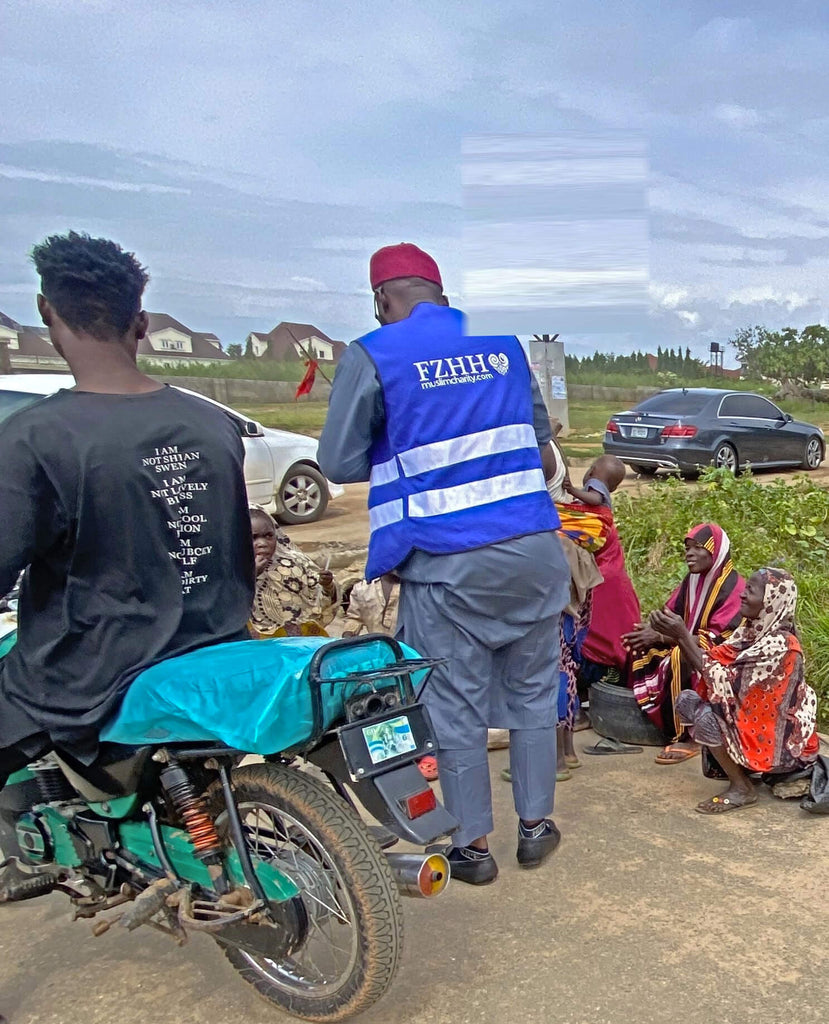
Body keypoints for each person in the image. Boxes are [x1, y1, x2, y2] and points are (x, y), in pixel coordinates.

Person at [318, 243, 569, 884]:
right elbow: (540, 442)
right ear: (443, 295)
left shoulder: (374, 353)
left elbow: (340, 463)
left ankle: (473, 848)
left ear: (381, 301)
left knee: (453, 704)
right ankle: (536, 829)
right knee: (536, 693)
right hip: (536, 553)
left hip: (449, 564)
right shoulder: (507, 348)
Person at [0, 232, 254, 807]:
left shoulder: (34, 437)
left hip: (93, 677)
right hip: (219, 649)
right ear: (140, 323)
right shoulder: (212, 425)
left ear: (46, 313)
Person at [652, 568, 819, 813]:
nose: (742, 594)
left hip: (782, 743)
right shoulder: (752, 631)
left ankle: (743, 788)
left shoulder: (781, 644)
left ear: (771, 600)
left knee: (708, 718)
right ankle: (742, 767)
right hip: (758, 722)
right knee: (688, 701)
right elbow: (713, 661)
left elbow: (723, 680)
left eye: (751, 590)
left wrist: (682, 635)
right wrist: (678, 637)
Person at [625, 524, 744, 764]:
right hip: (687, 640)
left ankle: (687, 735)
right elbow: (670, 615)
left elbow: (718, 640)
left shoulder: (733, 587)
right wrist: (651, 630)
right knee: (637, 641)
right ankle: (655, 714)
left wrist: (662, 637)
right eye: (688, 548)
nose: (689, 553)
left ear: (716, 551)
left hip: (723, 659)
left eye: (698, 547)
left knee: (681, 656)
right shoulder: (692, 580)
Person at [564, 457, 640, 689]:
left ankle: (589, 692)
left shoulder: (594, 500)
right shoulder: (597, 513)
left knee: (593, 638)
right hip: (613, 584)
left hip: (601, 584)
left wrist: (571, 490)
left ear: (591, 471)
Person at [248, 507, 339, 637]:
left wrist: (327, 585)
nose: (262, 543)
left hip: (303, 645)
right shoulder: (231, 571)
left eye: (268, 536)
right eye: (253, 538)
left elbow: (320, 606)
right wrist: (250, 577)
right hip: (258, 649)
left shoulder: (295, 564)